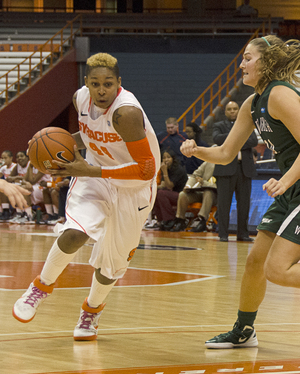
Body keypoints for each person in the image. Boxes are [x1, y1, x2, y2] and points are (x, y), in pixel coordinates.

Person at [13, 52, 160, 341]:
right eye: (95, 84)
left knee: (113, 264)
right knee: (74, 233)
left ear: (119, 82)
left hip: (135, 187)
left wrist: (92, 170)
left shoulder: (125, 113)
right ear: (87, 83)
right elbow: (89, 135)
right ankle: (40, 287)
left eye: (108, 84)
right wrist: (47, 143)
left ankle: (91, 311)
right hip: (96, 176)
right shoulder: (80, 98)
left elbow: (146, 169)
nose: (102, 90)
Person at [180, 35, 300, 349]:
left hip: (294, 186)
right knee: (255, 263)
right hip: (291, 189)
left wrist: (285, 181)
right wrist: (197, 151)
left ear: (267, 62)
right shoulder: (253, 102)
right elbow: (224, 152)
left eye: (248, 58)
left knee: (278, 269)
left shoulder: (279, 95)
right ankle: (244, 330)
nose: (241, 64)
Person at [212, 101, 257, 242]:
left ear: (239, 110)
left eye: (235, 109)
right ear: (225, 112)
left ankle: (243, 233)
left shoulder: (248, 124)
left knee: (244, 203)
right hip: (225, 170)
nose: (232, 111)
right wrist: (238, 137)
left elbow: (253, 141)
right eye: (229, 109)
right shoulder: (218, 125)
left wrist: (232, 141)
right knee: (224, 203)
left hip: (244, 169)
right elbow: (217, 139)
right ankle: (223, 234)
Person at [171, 160, 217, 232]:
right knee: (183, 195)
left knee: (208, 192)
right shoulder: (208, 162)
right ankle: (181, 220)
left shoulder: (226, 165)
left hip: (215, 196)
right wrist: (188, 186)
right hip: (201, 192)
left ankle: (202, 220)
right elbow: (194, 175)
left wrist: (203, 183)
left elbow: (220, 186)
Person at [152, 149, 187, 231]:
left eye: (168, 157)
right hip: (171, 195)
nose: (166, 160)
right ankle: (161, 220)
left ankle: (170, 219)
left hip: (182, 196)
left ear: (173, 158)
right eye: (164, 158)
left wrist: (164, 171)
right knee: (156, 193)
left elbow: (169, 186)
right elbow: (163, 184)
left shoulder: (178, 169)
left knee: (161, 193)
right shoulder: (167, 169)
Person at [0, 150, 16, 221]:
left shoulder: (15, 166)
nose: (4, 160)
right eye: (2, 158)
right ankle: (3, 211)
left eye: (5, 158)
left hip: (15, 185)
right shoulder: (3, 168)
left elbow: (12, 179)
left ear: (11, 158)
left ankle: (6, 211)